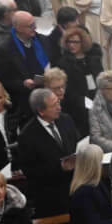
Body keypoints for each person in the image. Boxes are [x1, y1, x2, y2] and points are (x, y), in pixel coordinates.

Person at [13, 87, 80, 215]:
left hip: (76, 188)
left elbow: (77, 144)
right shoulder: (27, 136)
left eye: (58, 102)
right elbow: (31, 172)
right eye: (54, 105)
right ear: (41, 111)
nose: (59, 107)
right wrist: (60, 167)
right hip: (52, 198)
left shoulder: (66, 120)